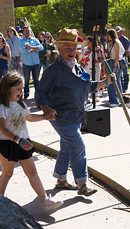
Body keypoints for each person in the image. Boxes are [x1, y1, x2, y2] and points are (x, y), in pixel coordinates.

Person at [35, 29, 114, 195]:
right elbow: (40, 93)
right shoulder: (53, 70)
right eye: (68, 49)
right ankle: (82, 185)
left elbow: (90, 85)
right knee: (78, 147)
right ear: (60, 49)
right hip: (61, 117)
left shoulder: (77, 68)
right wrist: (46, 110)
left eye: (74, 49)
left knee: (66, 147)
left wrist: (105, 81)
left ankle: (61, 179)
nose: (72, 52)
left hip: (76, 116)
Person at [0, 71, 63, 210]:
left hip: (23, 142)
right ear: (7, 89)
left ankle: (45, 200)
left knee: (32, 171)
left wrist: (45, 116)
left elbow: (29, 118)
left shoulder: (21, 104)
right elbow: (3, 128)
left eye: (22, 88)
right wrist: (18, 140)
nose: (21, 91)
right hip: (8, 143)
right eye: (18, 88)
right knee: (7, 173)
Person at [20, 26, 43, 99]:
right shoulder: (21, 41)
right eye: (26, 31)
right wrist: (36, 48)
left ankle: (38, 94)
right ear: (23, 32)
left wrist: (31, 47)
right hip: (27, 63)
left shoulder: (35, 39)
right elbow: (24, 51)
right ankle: (26, 94)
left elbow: (41, 47)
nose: (27, 32)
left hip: (35, 63)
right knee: (26, 79)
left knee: (36, 79)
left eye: (28, 30)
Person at [79, 35, 103, 102]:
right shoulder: (84, 49)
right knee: (87, 81)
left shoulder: (98, 49)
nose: (87, 43)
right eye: (87, 42)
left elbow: (102, 60)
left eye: (89, 42)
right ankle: (88, 96)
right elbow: (80, 60)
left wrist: (103, 70)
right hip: (87, 68)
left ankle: (95, 96)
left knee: (96, 80)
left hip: (96, 67)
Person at [105, 29, 124, 107]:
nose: (106, 37)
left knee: (112, 81)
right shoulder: (110, 43)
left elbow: (116, 56)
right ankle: (117, 99)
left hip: (114, 62)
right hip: (110, 61)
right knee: (116, 81)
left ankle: (115, 101)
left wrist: (114, 68)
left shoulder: (116, 43)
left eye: (108, 35)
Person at [116, 26, 130, 93]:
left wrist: (124, 57)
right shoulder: (115, 40)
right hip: (117, 58)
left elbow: (128, 50)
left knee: (125, 73)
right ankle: (120, 87)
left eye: (121, 31)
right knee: (119, 74)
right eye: (119, 32)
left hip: (123, 58)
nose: (120, 33)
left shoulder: (125, 39)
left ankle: (125, 87)